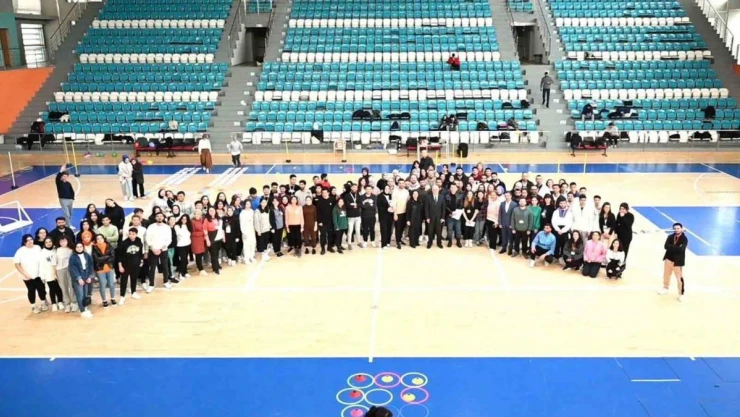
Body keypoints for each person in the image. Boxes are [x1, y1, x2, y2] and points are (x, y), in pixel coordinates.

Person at [659, 223, 688, 301]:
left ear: (681, 229)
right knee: (666, 275)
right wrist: (676, 247)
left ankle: (681, 293)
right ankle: (665, 287)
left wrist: (671, 247)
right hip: (668, 259)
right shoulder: (670, 237)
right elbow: (666, 246)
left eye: (678, 228)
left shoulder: (684, 239)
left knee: (679, 278)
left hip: (677, 262)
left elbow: (681, 249)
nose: (676, 230)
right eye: (675, 228)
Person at [146, 211, 174, 290]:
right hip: (153, 250)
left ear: (163, 217)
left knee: (165, 267)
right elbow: (148, 238)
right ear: (155, 218)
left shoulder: (167, 227)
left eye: (161, 216)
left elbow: (169, 239)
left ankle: (166, 282)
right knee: (152, 268)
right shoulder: (151, 227)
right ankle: (151, 284)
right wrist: (152, 248)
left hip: (163, 250)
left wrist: (161, 249)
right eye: (158, 216)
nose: (159, 217)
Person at [69, 242, 94, 318]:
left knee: (85, 294)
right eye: (77, 247)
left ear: (83, 247)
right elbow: (72, 269)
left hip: (86, 276)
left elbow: (90, 266)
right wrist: (79, 278)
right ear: (75, 248)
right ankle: (82, 311)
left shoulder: (87, 255)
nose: (79, 248)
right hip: (78, 278)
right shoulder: (72, 257)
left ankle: (85, 308)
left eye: (81, 246)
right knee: (80, 295)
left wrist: (89, 276)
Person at [119, 227, 144, 303]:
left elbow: (140, 252)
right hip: (125, 265)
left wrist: (141, 260)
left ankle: (133, 292)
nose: (131, 235)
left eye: (133, 234)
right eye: (130, 234)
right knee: (124, 281)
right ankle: (122, 296)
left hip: (135, 264)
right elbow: (119, 256)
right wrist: (120, 266)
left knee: (134, 279)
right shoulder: (124, 243)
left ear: (136, 234)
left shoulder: (139, 241)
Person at [52, 236, 76, 312]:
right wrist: (54, 273)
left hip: (70, 269)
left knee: (72, 286)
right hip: (60, 270)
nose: (63, 243)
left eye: (64, 241)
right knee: (63, 287)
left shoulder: (72, 249)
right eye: (61, 241)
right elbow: (54, 263)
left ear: (68, 241)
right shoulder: (56, 250)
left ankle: (74, 302)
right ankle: (67, 303)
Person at [39, 237, 63, 311]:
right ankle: (54, 303)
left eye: (50, 242)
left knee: (59, 288)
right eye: (46, 242)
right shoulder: (42, 253)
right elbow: (41, 265)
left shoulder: (56, 250)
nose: (48, 243)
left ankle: (60, 302)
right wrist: (42, 276)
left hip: (58, 272)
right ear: (44, 244)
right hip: (48, 273)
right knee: (52, 289)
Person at [92, 234, 116, 307]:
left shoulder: (109, 246)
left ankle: (113, 298)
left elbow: (112, 257)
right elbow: (96, 259)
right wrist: (107, 257)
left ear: (103, 239)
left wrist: (102, 258)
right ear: (96, 240)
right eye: (98, 238)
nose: (99, 240)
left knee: (111, 284)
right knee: (102, 284)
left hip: (110, 268)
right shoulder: (94, 247)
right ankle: (104, 300)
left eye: (101, 238)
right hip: (100, 269)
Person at [55, 164, 75, 228]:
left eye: (65, 176)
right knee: (67, 214)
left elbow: (72, 191)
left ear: (67, 177)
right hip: (63, 200)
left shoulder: (68, 183)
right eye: (63, 176)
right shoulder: (59, 182)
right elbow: (57, 177)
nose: (64, 177)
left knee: (70, 213)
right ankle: (68, 226)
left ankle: (68, 224)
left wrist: (72, 198)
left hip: (70, 200)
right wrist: (61, 171)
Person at [392, 179, 410, 249]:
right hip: (398, 212)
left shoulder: (406, 192)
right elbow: (394, 203)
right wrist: (395, 213)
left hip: (405, 212)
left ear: (404, 184)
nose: (401, 184)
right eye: (400, 183)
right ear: (398, 184)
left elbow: (408, 201)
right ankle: (398, 242)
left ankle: (400, 239)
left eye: (403, 183)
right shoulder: (395, 192)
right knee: (398, 228)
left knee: (403, 227)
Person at [344, 183, 361, 250]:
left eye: (356, 187)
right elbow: (347, 205)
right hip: (350, 216)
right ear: (351, 188)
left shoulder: (358, 195)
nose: (354, 188)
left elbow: (360, 204)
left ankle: (359, 242)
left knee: (358, 230)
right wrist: (355, 205)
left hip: (358, 215)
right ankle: (349, 244)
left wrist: (353, 204)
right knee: (350, 230)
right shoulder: (347, 196)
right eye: (353, 187)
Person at [377, 185, 394, 249]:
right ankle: (383, 244)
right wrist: (387, 209)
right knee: (384, 229)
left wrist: (392, 208)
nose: (387, 189)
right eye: (386, 188)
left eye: (388, 188)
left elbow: (393, 204)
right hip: (383, 216)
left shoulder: (390, 196)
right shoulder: (380, 196)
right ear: (383, 189)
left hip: (390, 215)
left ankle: (388, 242)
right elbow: (379, 206)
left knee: (389, 229)